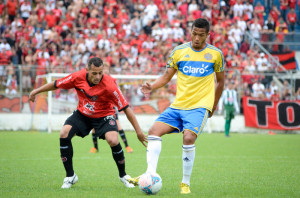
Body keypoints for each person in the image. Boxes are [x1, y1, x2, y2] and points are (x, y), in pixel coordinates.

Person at [127, 18, 225, 194]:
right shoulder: (179, 51)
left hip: (199, 106)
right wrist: (152, 86)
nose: (196, 38)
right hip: (178, 105)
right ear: (191, 32)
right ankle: (149, 175)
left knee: (188, 138)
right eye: (194, 33)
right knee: (154, 131)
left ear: (207, 35)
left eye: (201, 35)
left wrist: (213, 105)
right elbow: (166, 77)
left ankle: (185, 183)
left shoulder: (215, 54)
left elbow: (221, 82)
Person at [29, 57, 147, 189]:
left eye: (100, 73)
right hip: (83, 114)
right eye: (94, 73)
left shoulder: (109, 85)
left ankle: (123, 176)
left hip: (104, 115)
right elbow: (56, 84)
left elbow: (126, 108)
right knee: (64, 133)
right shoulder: (77, 77)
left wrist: (139, 132)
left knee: (113, 140)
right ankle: (70, 176)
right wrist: (36, 91)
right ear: (87, 70)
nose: (98, 76)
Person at [90, 63, 134, 154]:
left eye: (106, 69)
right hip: (98, 107)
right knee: (94, 128)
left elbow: (116, 93)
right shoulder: (96, 80)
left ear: (108, 70)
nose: (105, 71)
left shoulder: (112, 80)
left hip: (111, 106)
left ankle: (127, 146)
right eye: (103, 69)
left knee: (118, 125)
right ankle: (95, 148)